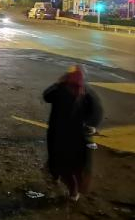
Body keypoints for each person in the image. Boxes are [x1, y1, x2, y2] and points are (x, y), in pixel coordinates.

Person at [43, 65, 103, 201]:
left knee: (68, 165)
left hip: (69, 135)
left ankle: (72, 190)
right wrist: (57, 84)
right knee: (60, 161)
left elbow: (97, 112)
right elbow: (47, 96)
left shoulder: (81, 94)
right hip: (61, 134)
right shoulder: (66, 91)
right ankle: (57, 177)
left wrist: (91, 125)